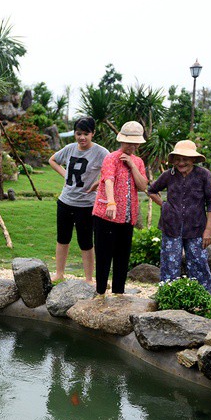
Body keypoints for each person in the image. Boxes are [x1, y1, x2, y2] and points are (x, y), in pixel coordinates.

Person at [146, 140, 211, 294]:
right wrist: (164, 205)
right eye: (177, 159)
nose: (181, 163)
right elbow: (151, 190)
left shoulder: (203, 175)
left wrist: (208, 230)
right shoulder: (168, 175)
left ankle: (203, 298)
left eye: (185, 159)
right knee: (169, 265)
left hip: (197, 227)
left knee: (198, 263)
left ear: (193, 159)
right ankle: (168, 297)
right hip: (171, 226)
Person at [48, 117, 109, 283]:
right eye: (78, 133)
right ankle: (59, 274)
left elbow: (112, 171)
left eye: (86, 134)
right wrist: (64, 174)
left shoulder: (101, 152)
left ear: (93, 133)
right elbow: (52, 160)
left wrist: (99, 182)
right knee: (62, 239)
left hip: (86, 205)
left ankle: (89, 278)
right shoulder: (69, 148)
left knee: (86, 242)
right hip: (65, 202)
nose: (82, 137)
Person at [92, 121, 148, 296]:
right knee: (103, 256)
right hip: (106, 215)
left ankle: (119, 293)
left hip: (127, 216)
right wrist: (111, 202)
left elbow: (143, 185)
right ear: (122, 141)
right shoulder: (111, 158)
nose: (132, 146)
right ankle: (100, 293)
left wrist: (132, 165)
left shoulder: (138, 161)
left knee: (122, 257)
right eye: (129, 142)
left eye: (135, 143)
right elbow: (108, 179)